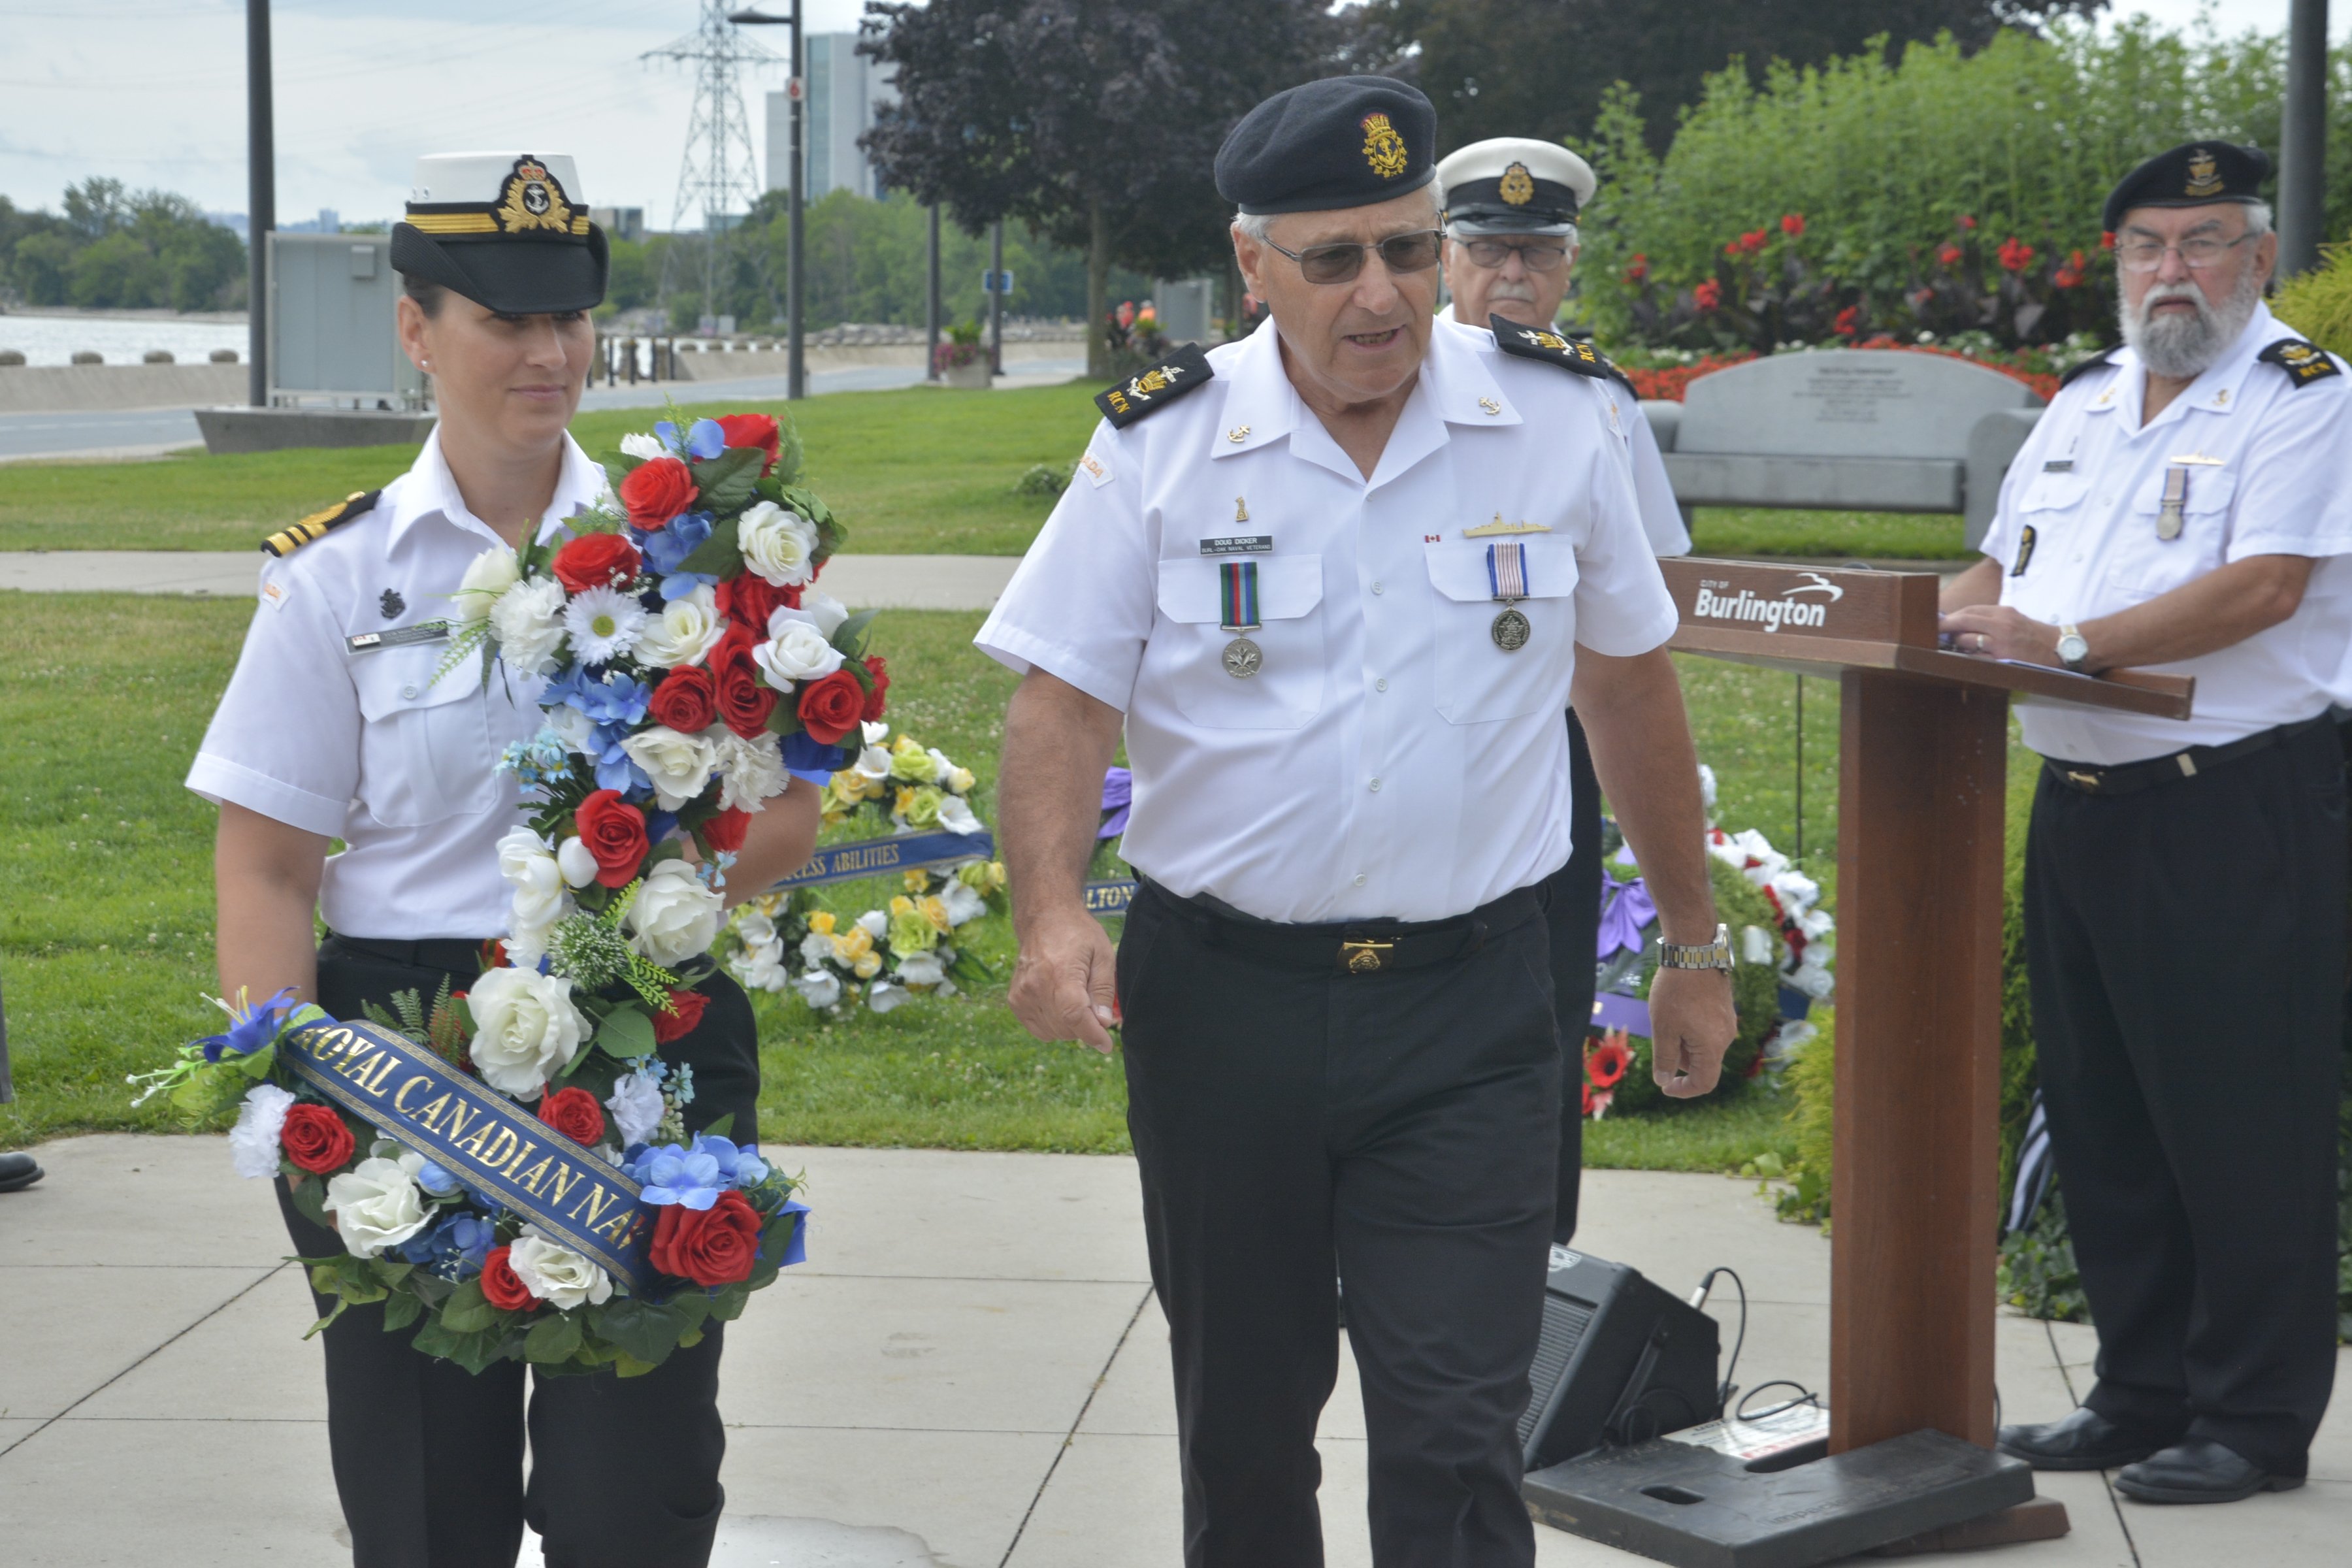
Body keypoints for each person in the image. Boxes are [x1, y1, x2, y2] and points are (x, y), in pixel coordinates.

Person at [975, 78, 1737, 1565]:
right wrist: (1053, 916)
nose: (1382, 294)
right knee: (1246, 1430)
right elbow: (1059, 704)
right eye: (1336, 260)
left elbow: (1631, 692)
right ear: (1254, 267)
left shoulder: (1561, 419)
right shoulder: (1162, 447)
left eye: (1403, 247)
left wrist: (1693, 945)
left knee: (1459, 1434)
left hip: (1472, 1010)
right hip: (1229, 1011)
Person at [186, 152, 823, 1567]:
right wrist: (293, 1092)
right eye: (503, 320)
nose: (548, 353)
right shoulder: (340, 577)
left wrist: (668, 902)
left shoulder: (697, 559)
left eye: (569, 319)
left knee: (634, 1496)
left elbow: (790, 815)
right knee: (423, 1506)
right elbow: (271, 865)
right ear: (417, 331)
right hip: (402, 1057)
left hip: (647, 1037)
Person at [1943, 141, 2351, 1506]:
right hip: (2083, 811)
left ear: (2258, 260)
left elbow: (2264, 591)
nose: (2172, 271)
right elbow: (1999, 566)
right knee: (2107, 1119)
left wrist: (2061, 642)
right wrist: (1915, 621)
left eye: (2204, 241)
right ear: (2116, 266)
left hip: (2229, 807)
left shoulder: (2301, 396)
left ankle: (2251, 1418)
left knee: (2242, 1124)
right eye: (2146, 247)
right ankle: (2139, 1393)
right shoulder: (2083, 403)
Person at [1435, 136, 1691, 1247]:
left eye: (1536, 254)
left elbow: (1642, 602)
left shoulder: (1597, 403)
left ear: (1570, 266)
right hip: (1416, 750)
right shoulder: (1382, 376)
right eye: (1488, 251)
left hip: (1550, 764)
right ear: (1445, 260)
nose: (1513, 277)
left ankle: (1533, 1274)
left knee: (1538, 1031)